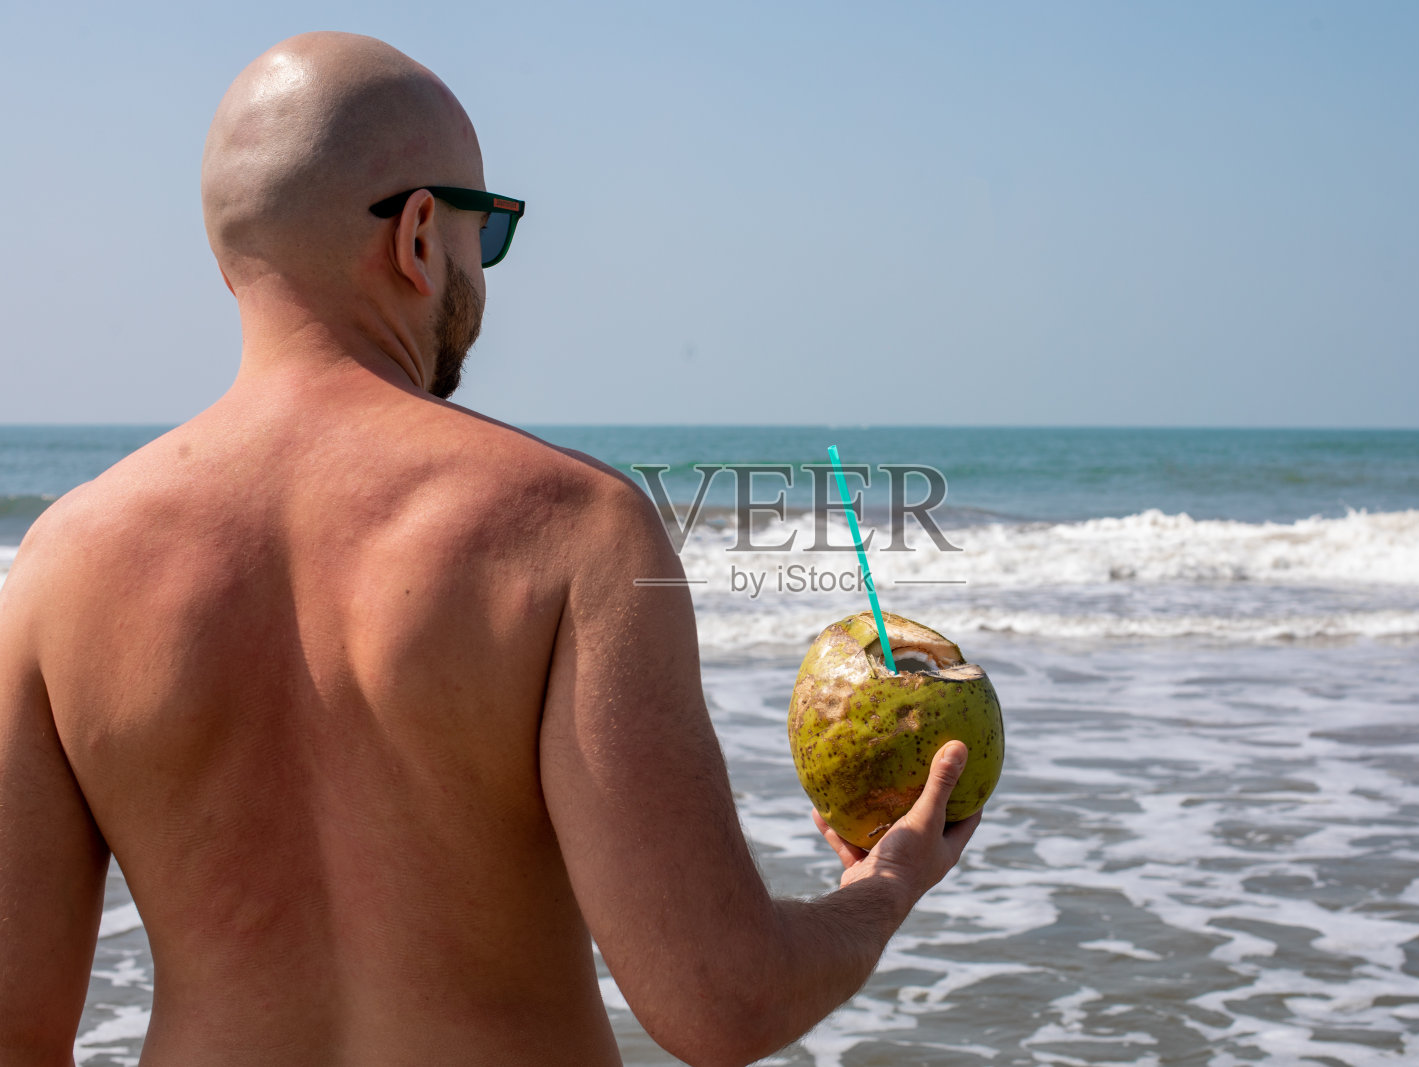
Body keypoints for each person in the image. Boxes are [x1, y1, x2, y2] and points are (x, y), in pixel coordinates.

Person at [0, 31, 978, 1067]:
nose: (483, 268)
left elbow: (14, 1029)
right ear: (421, 234)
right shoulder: (568, 525)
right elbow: (721, 1000)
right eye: (488, 230)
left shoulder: (59, 567)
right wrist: (884, 885)